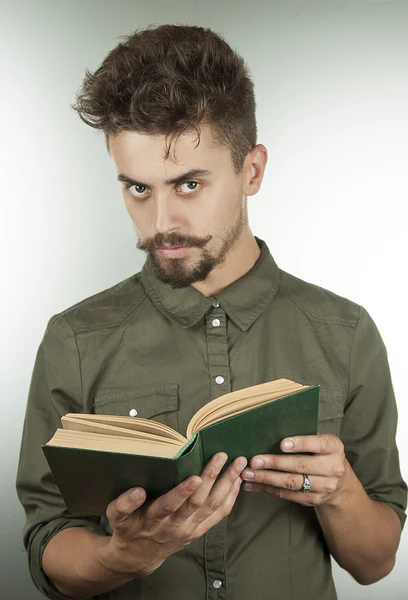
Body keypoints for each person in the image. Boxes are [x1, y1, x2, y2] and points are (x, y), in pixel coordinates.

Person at [16, 24, 407, 600]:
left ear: (252, 170)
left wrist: (339, 491)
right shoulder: (74, 339)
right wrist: (117, 555)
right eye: (138, 189)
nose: (160, 224)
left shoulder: (346, 332)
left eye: (189, 184)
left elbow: (375, 565)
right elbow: (46, 542)